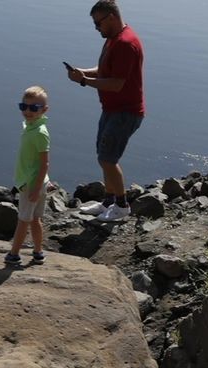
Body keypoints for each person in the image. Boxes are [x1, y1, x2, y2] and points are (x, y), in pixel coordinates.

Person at [66, 0, 145, 222]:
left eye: (98, 23)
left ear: (111, 17)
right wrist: (83, 72)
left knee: (108, 159)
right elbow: (105, 71)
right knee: (103, 157)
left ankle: (121, 206)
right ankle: (108, 202)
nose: (96, 28)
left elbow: (116, 83)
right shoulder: (113, 40)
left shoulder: (125, 43)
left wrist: (83, 82)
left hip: (125, 112)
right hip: (111, 109)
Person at [4, 86, 51, 266]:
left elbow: (45, 162)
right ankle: (38, 252)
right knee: (35, 219)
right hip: (37, 182)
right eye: (23, 107)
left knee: (23, 220)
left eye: (33, 108)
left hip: (31, 184)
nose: (27, 111)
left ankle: (14, 254)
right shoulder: (32, 126)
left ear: (44, 110)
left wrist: (36, 188)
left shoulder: (39, 133)